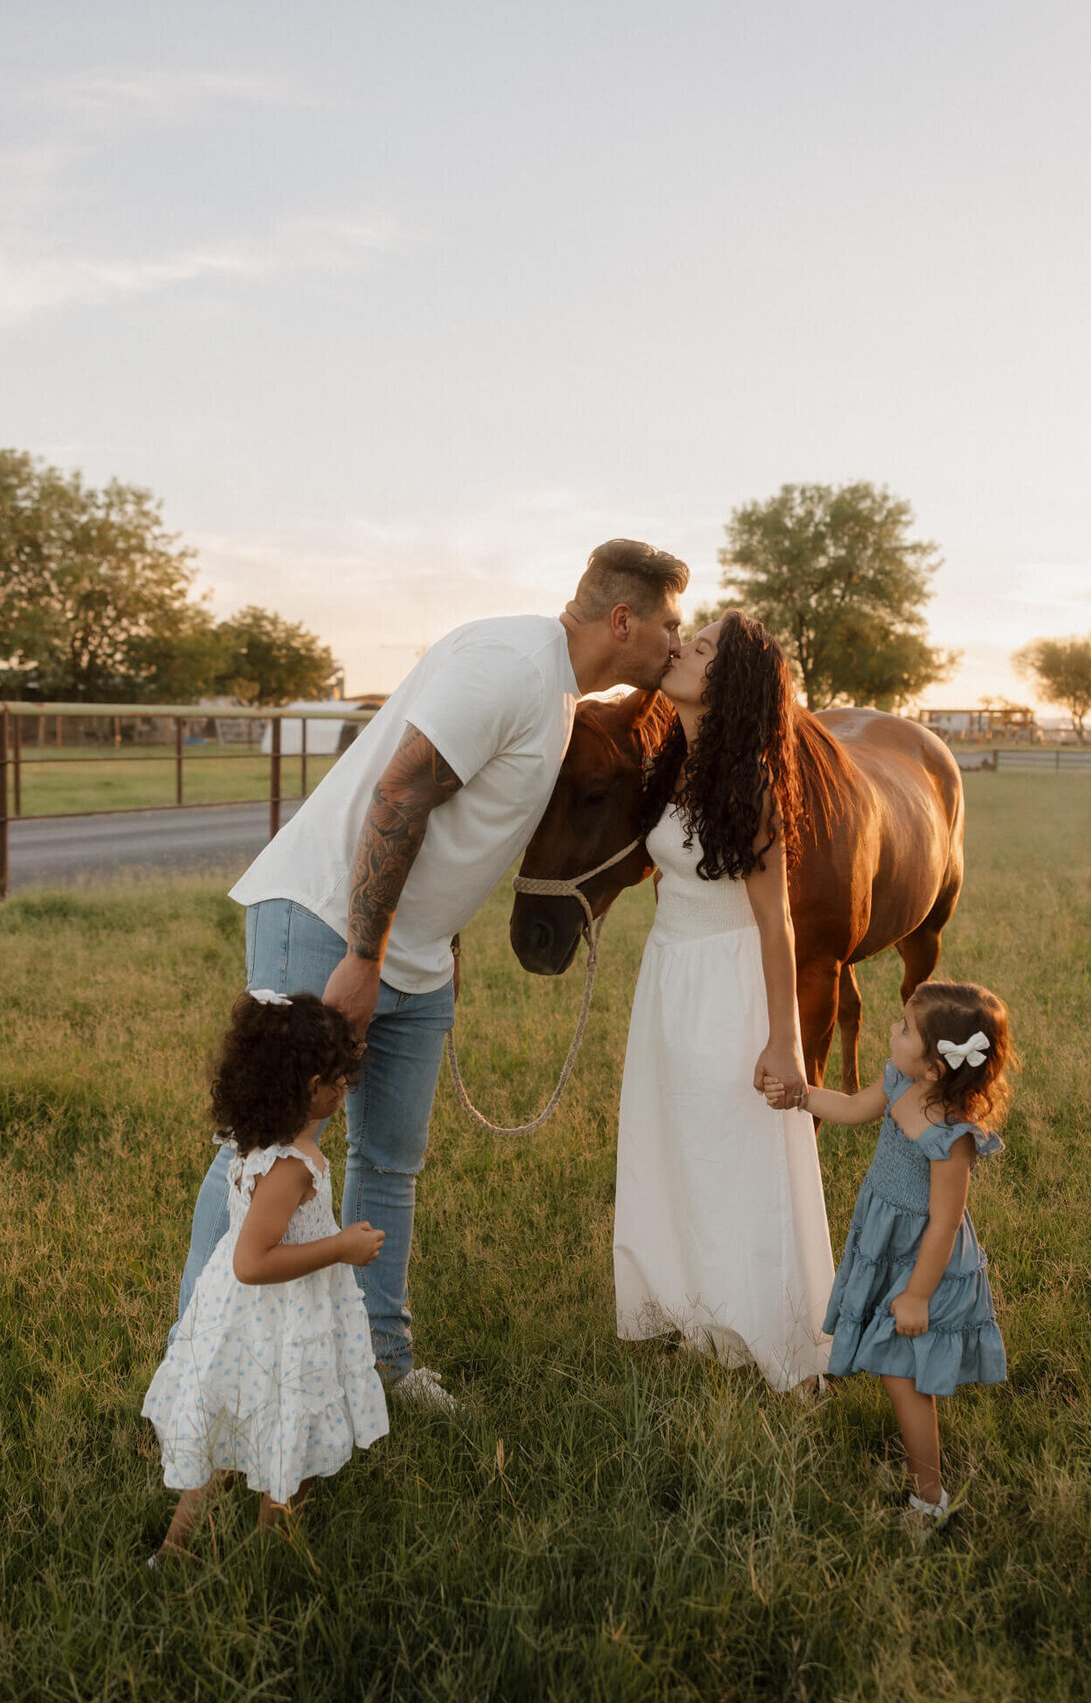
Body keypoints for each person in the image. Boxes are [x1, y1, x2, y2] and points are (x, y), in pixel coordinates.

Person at [175, 540, 690, 1413]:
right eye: (670, 624)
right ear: (622, 621)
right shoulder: (510, 665)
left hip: (409, 952)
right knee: (264, 1151)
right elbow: (400, 794)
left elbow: (460, 824)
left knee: (390, 1164)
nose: (676, 642)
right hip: (329, 926)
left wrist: (437, 935)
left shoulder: (559, 694)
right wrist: (364, 957)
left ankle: (381, 1362)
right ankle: (199, 1371)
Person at [613, 611, 835, 1394]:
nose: (682, 648)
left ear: (730, 683)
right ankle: (697, 1311)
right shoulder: (673, 762)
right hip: (668, 975)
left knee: (731, 1154)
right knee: (674, 1144)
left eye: (702, 647)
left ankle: (776, 1337)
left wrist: (785, 1040)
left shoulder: (751, 782)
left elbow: (776, 923)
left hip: (727, 981)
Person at [143, 990, 389, 1564]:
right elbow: (252, 1262)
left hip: (248, 1317)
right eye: (339, 1080)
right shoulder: (291, 1166)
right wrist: (341, 1247)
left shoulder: (258, 1140)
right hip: (279, 1315)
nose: (345, 1089)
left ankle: (173, 1555)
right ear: (314, 1088)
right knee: (289, 1442)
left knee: (231, 1436)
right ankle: (268, 1562)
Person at [767, 980, 1013, 1522]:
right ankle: (917, 1472)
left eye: (904, 1029)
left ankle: (930, 1498)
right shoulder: (901, 1082)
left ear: (936, 1068)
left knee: (904, 1378)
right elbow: (854, 1107)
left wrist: (917, 1296)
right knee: (893, 1371)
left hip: (924, 1263)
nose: (891, 1030)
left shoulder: (952, 1139)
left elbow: (945, 1223)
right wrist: (802, 1096)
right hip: (885, 1243)